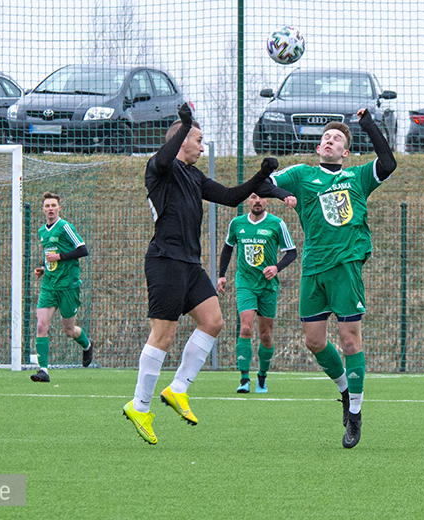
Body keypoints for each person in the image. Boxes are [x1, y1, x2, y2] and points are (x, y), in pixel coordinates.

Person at [122, 103, 295, 445]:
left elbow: (230, 198)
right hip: (164, 260)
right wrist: (185, 122)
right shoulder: (159, 169)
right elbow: (162, 157)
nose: (203, 147)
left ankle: (178, 389)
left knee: (213, 321)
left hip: (189, 263)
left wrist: (261, 175)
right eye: (198, 140)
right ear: (182, 139)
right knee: (163, 336)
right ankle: (140, 405)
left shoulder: (194, 176)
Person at [267, 108, 397, 448]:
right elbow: (264, 183)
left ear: (346, 152)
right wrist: (284, 196)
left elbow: (388, 163)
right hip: (313, 267)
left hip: (346, 267)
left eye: (337, 138)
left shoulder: (357, 178)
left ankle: (354, 413)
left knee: (350, 340)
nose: (329, 140)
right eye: (326, 137)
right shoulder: (302, 175)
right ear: (318, 148)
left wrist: (368, 124)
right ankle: (344, 389)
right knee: (314, 341)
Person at [216, 193, 297, 394]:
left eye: (262, 198)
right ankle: (244, 379)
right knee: (245, 329)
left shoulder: (277, 224)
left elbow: (292, 252)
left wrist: (276, 268)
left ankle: (262, 376)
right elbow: (227, 248)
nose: (258, 201)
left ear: (268, 201)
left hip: (268, 285)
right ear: (247, 201)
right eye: (253, 197)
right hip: (245, 283)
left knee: (266, 335)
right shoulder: (237, 223)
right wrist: (222, 275)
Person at [30, 191, 94, 382]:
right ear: (43, 210)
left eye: (53, 206)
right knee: (41, 325)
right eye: (47, 206)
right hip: (49, 286)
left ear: (59, 208)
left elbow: (83, 250)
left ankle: (87, 345)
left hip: (68, 286)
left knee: (69, 331)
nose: (50, 209)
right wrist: (43, 268)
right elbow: (50, 254)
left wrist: (59, 257)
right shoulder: (43, 231)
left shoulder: (65, 227)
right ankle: (43, 370)